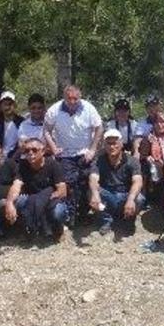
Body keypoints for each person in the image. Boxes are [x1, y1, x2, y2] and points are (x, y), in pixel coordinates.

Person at [43, 85, 102, 224]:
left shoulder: (88, 108)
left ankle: (84, 214)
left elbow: (99, 128)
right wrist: (53, 147)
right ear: (64, 97)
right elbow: (46, 129)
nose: (73, 101)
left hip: (84, 152)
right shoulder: (54, 110)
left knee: (85, 182)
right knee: (68, 184)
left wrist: (93, 149)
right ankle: (70, 215)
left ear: (80, 97)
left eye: (76, 98)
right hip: (65, 154)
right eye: (69, 98)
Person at [4, 138, 69, 241]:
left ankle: (58, 229)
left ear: (43, 151)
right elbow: (16, 186)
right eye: (26, 151)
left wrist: (44, 200)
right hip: (31, 199)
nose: (30, 153)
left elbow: (62, 191)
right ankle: (27, 229)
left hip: (52, 198)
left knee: (58, 212)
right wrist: (9, 203)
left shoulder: (53, 165)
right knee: (18, 202)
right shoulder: (22, 165)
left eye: (34, 150)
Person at [88, 129, 145, 235]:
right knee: (92, 191)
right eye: (108, 144)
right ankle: (106, 220)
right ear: (104, 145)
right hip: (108, 195)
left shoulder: (132, 161)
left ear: (121, 144)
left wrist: (131, 199)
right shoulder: (98, 160)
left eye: (115, 143)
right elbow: (93, 177)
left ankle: (128, 220)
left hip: (125, 196)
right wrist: (95, 194)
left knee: (140, 198)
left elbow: (138, 181)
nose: (111, 147)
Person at [0, 91, 23, 157]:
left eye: (10, 104)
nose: (7, 107)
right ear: (0, 106)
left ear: (15, 105)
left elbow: (22, 144)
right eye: (5, 104)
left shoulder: (21, 123)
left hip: (15, 158)